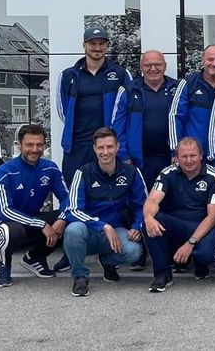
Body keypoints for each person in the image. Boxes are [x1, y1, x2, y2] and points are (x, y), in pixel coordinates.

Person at [55, 27, 130, 272]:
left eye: (101, 44)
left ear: (107, 46)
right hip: (77, 147)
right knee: (72, 198)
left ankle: (108, 249)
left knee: (109, 196)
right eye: (92, 43)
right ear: (84, 45)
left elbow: (125, 109)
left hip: (107, 147)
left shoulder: (119, 74)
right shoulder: (69, 75)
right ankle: (71, 251)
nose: (97, 48)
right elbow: (62, 110)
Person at [61, 127, 146, 297]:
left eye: (109, 147)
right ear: (94, 149)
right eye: (101, 148)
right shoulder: (83, 172)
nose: (105, 152)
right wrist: (103, 226)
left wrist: (138, 226)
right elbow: (73, 210)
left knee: (134, 251)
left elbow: (143, 205)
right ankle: (80, 277)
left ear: (117, 147)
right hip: (90, 231)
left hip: (117, 230)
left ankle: (107, 262)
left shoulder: (131, 173)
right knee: (73, 230)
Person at [112, 49, 177, 272]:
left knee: (168, 203)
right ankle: (139, 251)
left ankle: (167, 250)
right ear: (141, 66)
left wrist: (178, 152)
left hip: (168, 158)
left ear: (165, 66)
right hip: (138, 160)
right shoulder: (129, 90)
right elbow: (117, 124)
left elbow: (183, 119)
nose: (153, 68)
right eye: (148, 64)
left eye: (157, 64)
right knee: (138, 202)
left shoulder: (176, 88)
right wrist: (124, 156)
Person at [0, 124, 69, 288]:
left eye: (39, 145)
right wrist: (41, 224)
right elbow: (5, 211)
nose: (35, 149)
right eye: (29, 145)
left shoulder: (50, 168)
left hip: (32, 221)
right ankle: (4, 265)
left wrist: (61, 219)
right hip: (3, 224)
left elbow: (68, 198)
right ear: (19, 145)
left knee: (69, 219)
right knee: (11, 231)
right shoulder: (5, 171)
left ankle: (35, 257)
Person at [143, 138, 215, 293]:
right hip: (177, 225)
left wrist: (190, 244)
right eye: (184, 156)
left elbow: (213, 217)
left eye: (193, 155)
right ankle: (162, 275)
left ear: (201, 155)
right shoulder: (168, 172)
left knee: (205, 255)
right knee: (150, 220)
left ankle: (200, 261)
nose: (189, 160)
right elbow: (152, 199)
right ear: (176, 157)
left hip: (204, 227)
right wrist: (148, 217)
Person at [171, 44, 215, 166]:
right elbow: (175, 117)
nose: (214, 63)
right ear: (203, 60)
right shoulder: (188, 83)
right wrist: (175, 152)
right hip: (191, 157)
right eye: (210, 59)